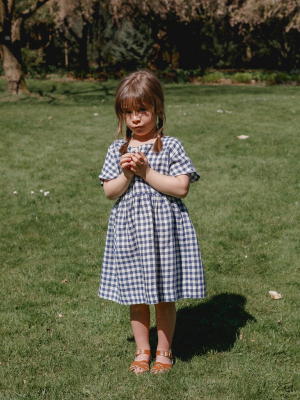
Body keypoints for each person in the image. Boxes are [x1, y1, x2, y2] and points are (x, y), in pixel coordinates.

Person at [99, 70, 205, 374]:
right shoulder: (117, 149)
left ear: (157, 109)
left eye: (142, 110)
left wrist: (146, 172)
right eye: (128, 112)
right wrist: (127, 174)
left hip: (164, 233)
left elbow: (181, 188)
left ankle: (164, 350)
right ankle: (142, 350)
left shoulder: (170, 146)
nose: (135, 118)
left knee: (163, 294)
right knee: (136, 294)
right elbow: (110, 191)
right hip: (130, 232)